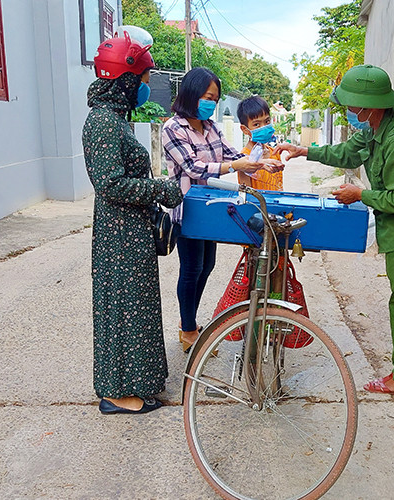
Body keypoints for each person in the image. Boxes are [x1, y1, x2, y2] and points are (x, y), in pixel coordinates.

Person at [274, 64, 394, 395]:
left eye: (352, 106)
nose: (350, 111)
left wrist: (360, 194)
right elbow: (347, 152)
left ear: (369, 105)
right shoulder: (377, 127)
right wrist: (305, 150)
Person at [82, 26, 183, 414]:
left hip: (131, 231)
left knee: (135, 308)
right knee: (122, 311)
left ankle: (137, 383)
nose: (145, 86)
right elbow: (110, 184)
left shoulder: (117, 119)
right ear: (124, 80)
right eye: (142, 79)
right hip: (118, 235)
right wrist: (161, 189)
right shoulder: (104, 122)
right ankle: (116, 393)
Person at [161, 68, 283, 353]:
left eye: (214, 99)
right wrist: (235, 167)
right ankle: (188, 329)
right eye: (207, 97)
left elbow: (233, 155)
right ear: (191, 94)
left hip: (210, 208)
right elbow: (193, 167)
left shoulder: (211, 127)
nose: (211, 104)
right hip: (188, 207)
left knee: (207, 266)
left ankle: (188, 323)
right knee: (191, 268)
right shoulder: (173, 128)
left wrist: (261, 163)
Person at [236, 96, 283, 191]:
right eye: (256, 124)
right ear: (245, 129)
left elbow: (279, 185)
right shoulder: (243, 159)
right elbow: (247, 194)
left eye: (267, 121)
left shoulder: (274, 152)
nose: (264, 127)